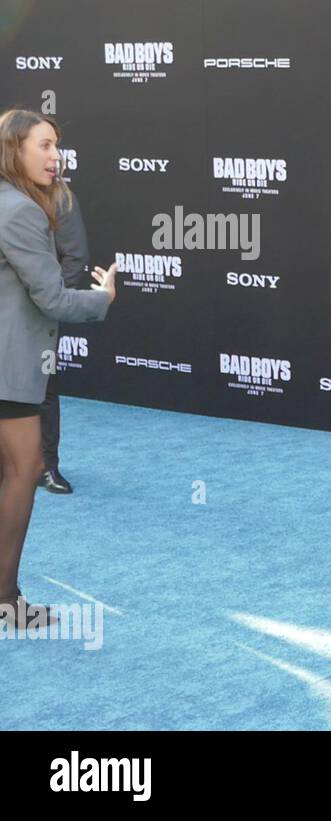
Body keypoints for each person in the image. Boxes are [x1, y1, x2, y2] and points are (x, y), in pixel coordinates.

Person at [0, 110, 117, 628]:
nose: (55, 156)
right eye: (44, 146)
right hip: (9, 367)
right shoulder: (21, 212)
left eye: (57, 146)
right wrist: (102, 298)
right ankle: (6, 601)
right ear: (14, 150)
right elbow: (49, 298)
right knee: (23, 473)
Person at [39, 190, 90, 494]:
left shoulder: (60, 196)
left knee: (43, 387)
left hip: (37, 313)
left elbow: (75, 257)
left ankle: (47, 466)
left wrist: (50, 300)